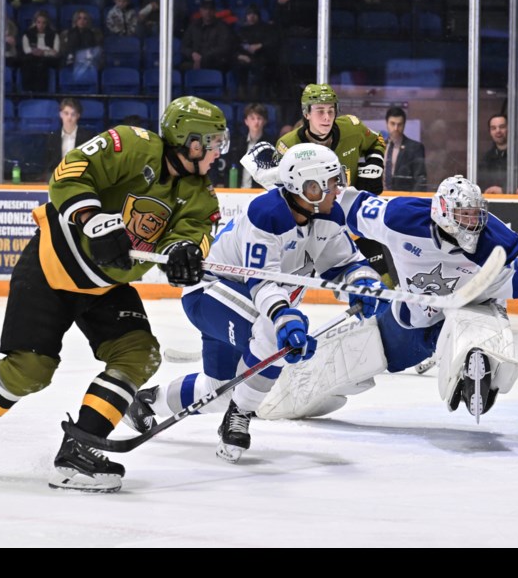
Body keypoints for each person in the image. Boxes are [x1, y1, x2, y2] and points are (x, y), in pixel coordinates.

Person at [0, 96, 228, 493]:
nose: (217, 152)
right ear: (189, 142)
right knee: (31, 370)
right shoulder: (133, 143)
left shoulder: (200, 195)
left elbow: (193, 236)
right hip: (51, 265)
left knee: (138, 353)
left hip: (105, 285)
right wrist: (92, 220)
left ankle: (79, 448)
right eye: (212, 143)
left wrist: (184, 254)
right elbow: (69, 173)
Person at [254, 175, 518, 422]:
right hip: (403, 323)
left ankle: (478, 370)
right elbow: (346, 204)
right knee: (328, 374)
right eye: (464, 215)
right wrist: (293, 191)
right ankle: (265, 403)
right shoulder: (401, 218)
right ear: (443, 211)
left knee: (479, 321)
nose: (472, 222)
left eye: (476, 214)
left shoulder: (494, 240)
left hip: (461, 313)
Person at [122, 142, 388, 463]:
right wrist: (283, 318)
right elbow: (262, 281)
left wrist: (364, 284)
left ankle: (147, 402)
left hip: (250, 302)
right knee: (271, 335)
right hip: (210, 292)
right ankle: (241, 415)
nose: (338, 189)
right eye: (330, 183)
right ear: (307, 187)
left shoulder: (328, 214)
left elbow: (342, 263)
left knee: (221, 388)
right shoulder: (266, 214)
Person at [275, 83, 389, 280]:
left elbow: (377, 141)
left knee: (381, 277)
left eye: (331, 110)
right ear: (306, 113)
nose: (327, 117)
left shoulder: (352, 129)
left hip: (351, 217)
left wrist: (374, 165)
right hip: (312, 226)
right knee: (290, 284)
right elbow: (282, 191)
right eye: (320, 111)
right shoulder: (288, 146)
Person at [477, 113, 518, 194]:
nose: (498, 131)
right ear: (490, 132)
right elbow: (481, 186)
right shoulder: (487, 158)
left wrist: (503, 191)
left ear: (510, 129)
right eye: (493, 128)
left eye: (502, 127)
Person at [212, 102, 273, 188]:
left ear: (264, 121)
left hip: (259, 191)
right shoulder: (237, 143)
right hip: (238, 191)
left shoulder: (269, 144)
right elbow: (229, 168)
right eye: (252, 118)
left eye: (259, 118)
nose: (256, 122)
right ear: (246, 121)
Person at [41, 97, 98, 179]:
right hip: (58, 180)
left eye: (73, 114)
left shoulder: (88, 137)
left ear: (78, 116)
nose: (69, 117)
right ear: (61, 114)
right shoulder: (52, 138)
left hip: (80, 180)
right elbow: (48, 165)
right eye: (66, 113)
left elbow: (91, 164)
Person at [235, 4, 281, 100]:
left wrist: (260, 45)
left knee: (261, 66)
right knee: (238, 65)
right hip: (244, 57)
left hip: (262, 57)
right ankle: (241, 94)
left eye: (254, 14)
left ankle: (256, 95)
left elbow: (273, 41)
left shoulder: (266, 28)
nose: (251, 16)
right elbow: (235, 45)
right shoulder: (241, 30)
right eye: (249, 14)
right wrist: (240, 55)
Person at [180, 0, 238, 74]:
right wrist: (192, 54)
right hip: (194, 61)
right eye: (205, 9)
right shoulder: (193, 26)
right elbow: (184, 46)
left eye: (210, 9)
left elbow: (224, 48)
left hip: (214, 63)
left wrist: (202, 58)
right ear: (200, 10)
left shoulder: (223, 27)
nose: (208, 12)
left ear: (214, 11)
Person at [383, 105, 427, 191]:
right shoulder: (378, 147)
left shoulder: (415, 148)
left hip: (404, 198)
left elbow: (420, 180)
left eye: (399, 124)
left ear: (404, 125)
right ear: (386, 124)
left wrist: (413, 201)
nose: (396, 128)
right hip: (380, 198)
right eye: (392, 124)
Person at [20, 9, 60, 93]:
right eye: (38, 22)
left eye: (44, 23)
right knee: (28, 62)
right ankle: (28, 92)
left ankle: (41, 93)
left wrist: (43, 52)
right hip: (32, 58)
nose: (41, 25)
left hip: (47, 60)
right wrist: (48, 49)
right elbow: (26, 50)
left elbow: (55, 52)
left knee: (42, 64)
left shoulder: (54, 34)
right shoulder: (27, 34)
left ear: (47, 23)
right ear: (35, 22)